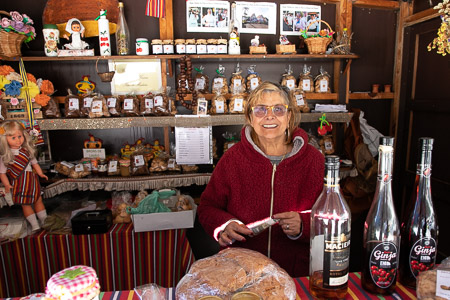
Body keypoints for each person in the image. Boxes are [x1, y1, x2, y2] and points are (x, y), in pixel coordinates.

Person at [198, 82, 324, 277]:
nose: (270, 116)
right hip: (240, 272)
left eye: (279, 109)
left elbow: (332, 216)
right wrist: (224, 225)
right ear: (250, 117)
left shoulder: (314, 160)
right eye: (260, 109)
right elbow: (207, 207)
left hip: (295, 272)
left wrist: (304, 224)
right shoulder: (233, 158)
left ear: (289, 116)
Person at [0, 121, 49, 233]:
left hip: (32, 181)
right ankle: (35, 225)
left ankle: (45, 222)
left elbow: (34, 163)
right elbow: (2, 173)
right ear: (4, 139)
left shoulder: (26, 151)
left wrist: (40, 173)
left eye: (20, 136)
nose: (18, 140)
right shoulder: (5, 156)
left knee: (38, 200)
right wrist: (7, 185)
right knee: (25, 204)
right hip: (19, 182)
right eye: (13, 138)